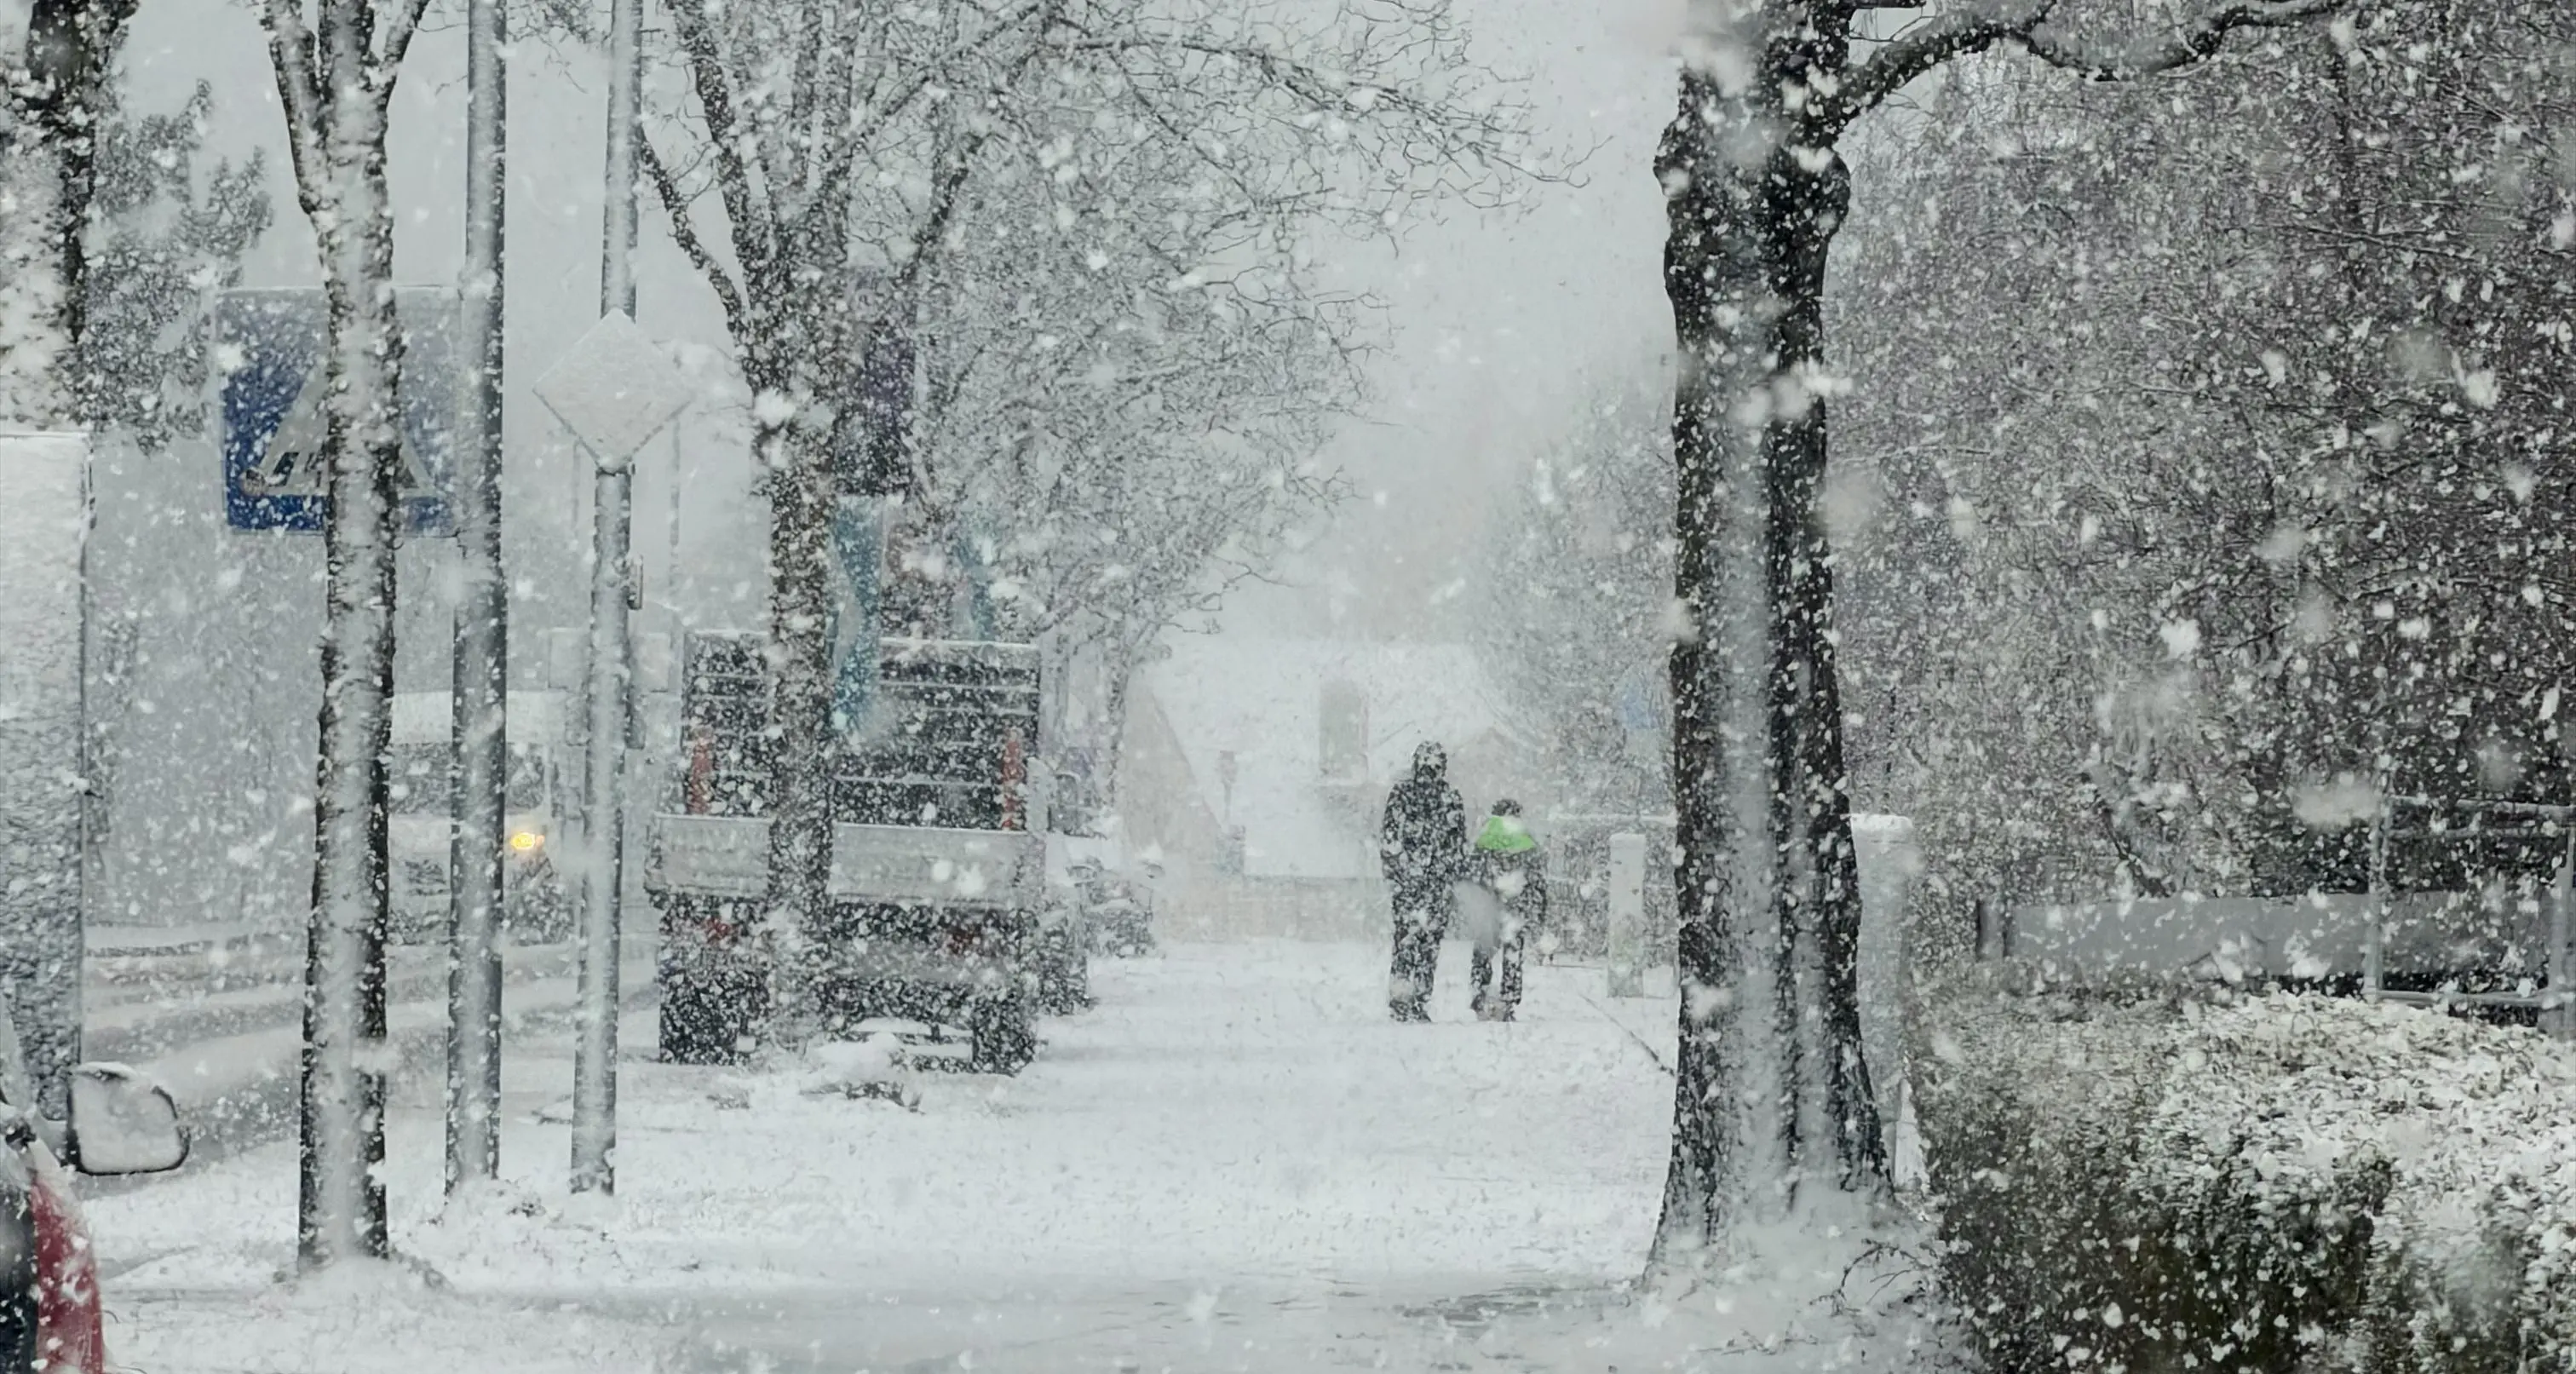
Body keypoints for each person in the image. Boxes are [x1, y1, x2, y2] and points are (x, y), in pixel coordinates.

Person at [1380, 740, 1466, 1021]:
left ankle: (1406, 998)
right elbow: (1457, 846)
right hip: (1429, 882)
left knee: (1411, 941)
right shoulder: (1448, 798)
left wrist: (1395, 872)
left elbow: (1390, 838)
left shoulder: (1406, 794)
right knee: (1423, 942)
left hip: (1418, 881)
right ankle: (1413, 998)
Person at [1463, 798, 1544, 1022]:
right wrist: (1535, 906)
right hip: (1515, 905)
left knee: (1483, 950)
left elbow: (1471, 871)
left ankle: (1480, 995)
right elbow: (1536, 877)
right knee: (1513, 952)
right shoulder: (1526, 839)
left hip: (1489, 903)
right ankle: (1508, 999)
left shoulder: (1484, 837)